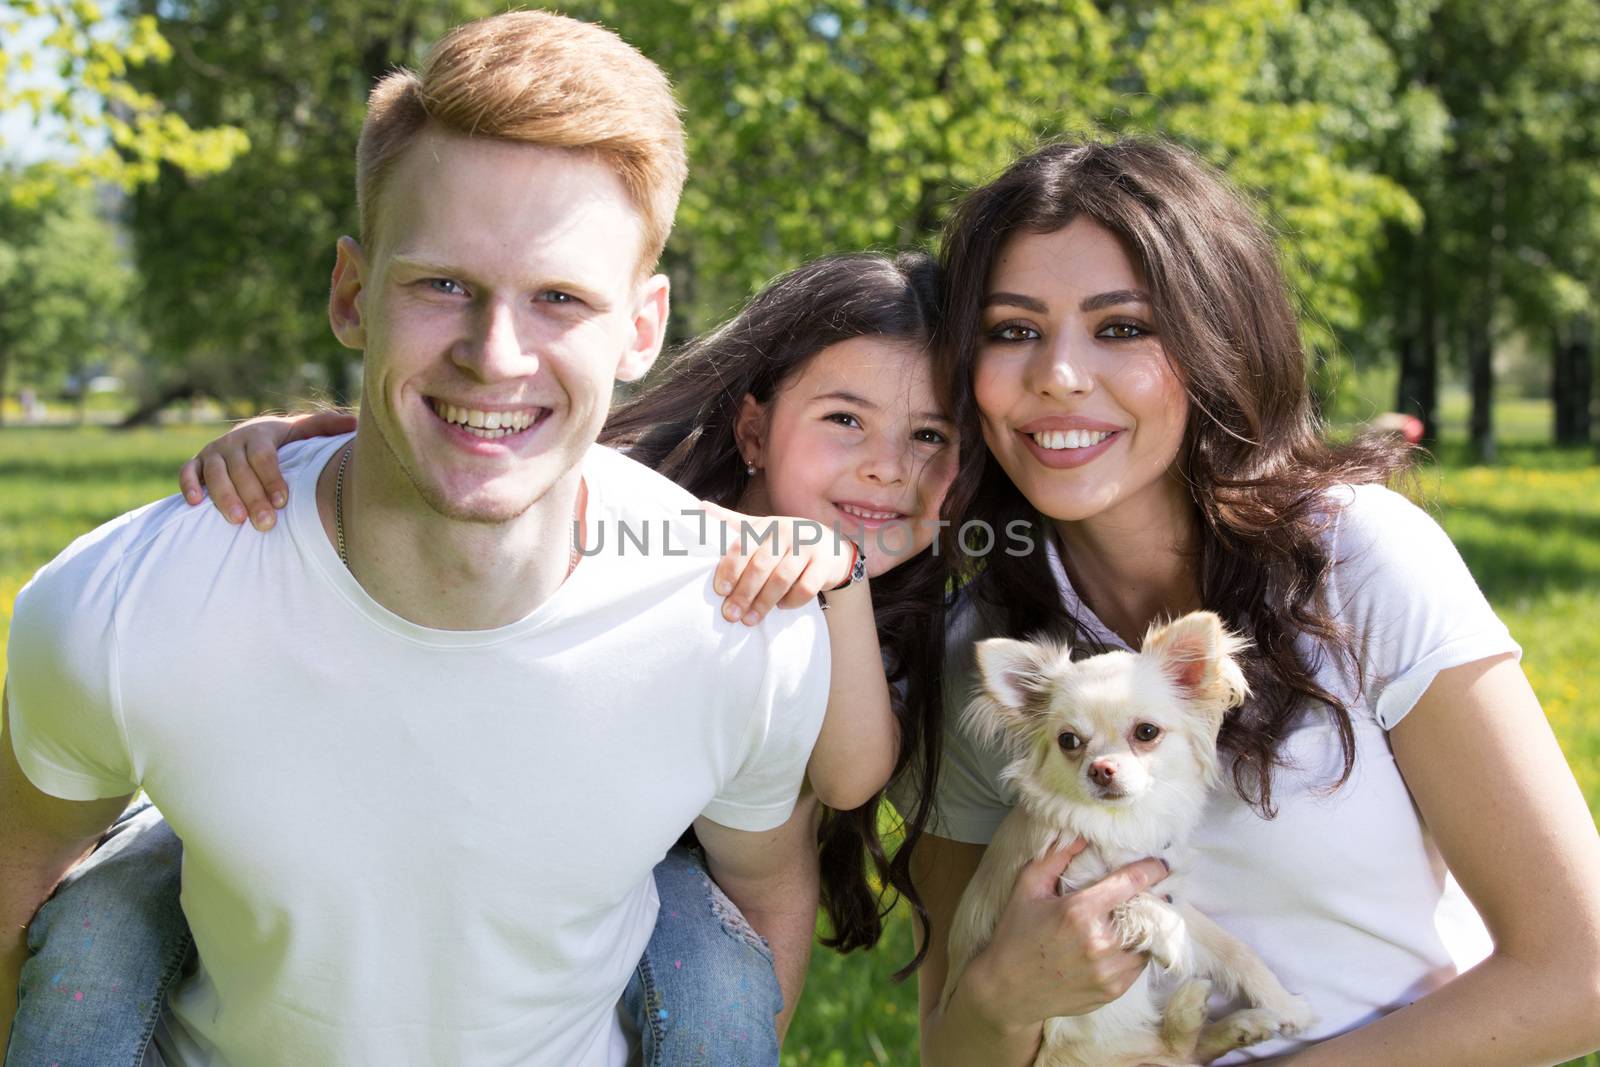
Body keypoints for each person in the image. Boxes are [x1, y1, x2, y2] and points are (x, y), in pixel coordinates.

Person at [0, 12, 860, 1066]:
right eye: (442, 284)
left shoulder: (739, 624)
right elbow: (21, 876)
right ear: (352, 293)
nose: (494, 356)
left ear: (641, 327)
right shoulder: (124, 608)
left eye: (559, 298)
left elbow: (758, 905)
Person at [897, 137, 1600, 1065]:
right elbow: (953, 1043)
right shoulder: (985, 654)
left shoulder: (1354, 559)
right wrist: (1002, 997)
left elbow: (1579, 972)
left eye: (1122, 327)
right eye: (1013, 329)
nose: (1058, 374)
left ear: (1213, 343)